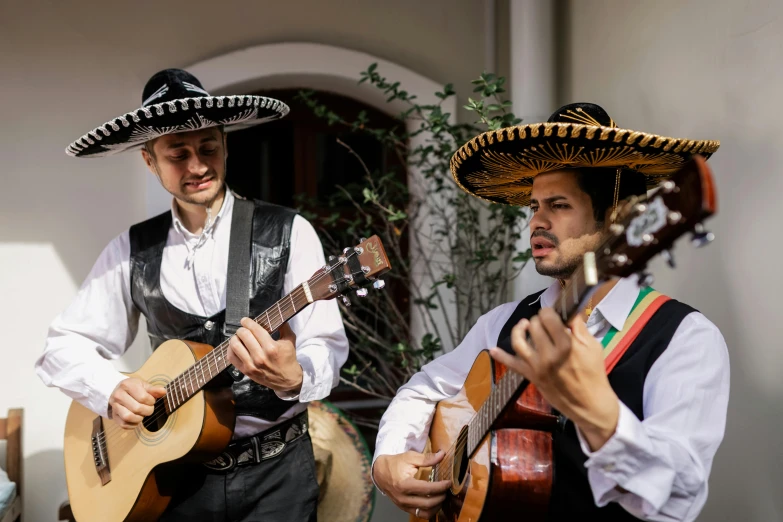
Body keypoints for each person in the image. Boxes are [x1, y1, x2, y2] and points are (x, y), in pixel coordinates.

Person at [371, 102, 729, 521]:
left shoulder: (684, 338)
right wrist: (388, 460)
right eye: (533, 207)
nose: (535, 222)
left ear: (617, 218)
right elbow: (424, 388)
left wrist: (600, 415)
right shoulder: (503, 322)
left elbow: (676, 502)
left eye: (557, 205)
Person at [35, 68, 349, 522]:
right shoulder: (131, 249)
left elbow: (326, 343)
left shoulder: (288, 231)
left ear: (225, 144)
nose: (198, 166)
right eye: (178, 154)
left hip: (276, 475)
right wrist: (111, 390)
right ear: (149, 161)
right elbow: (62, 346)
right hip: (173, 479)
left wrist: (296, 375)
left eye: (208, 148)